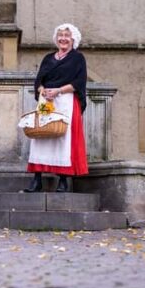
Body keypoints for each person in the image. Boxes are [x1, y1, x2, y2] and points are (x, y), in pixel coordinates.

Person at [24, 24, 89, 193]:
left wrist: (58, 90)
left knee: (63, 138)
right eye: (60, 35)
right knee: (42, 135)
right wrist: (42, 91)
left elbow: (79, 83)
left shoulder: (78, 58)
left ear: (73, 39)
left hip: (66, 100)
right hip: (46, 102)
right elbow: (38, 82)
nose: (63, 38)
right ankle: (37, 179)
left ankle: (63, 180)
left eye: (67, 35)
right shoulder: (47, 58)